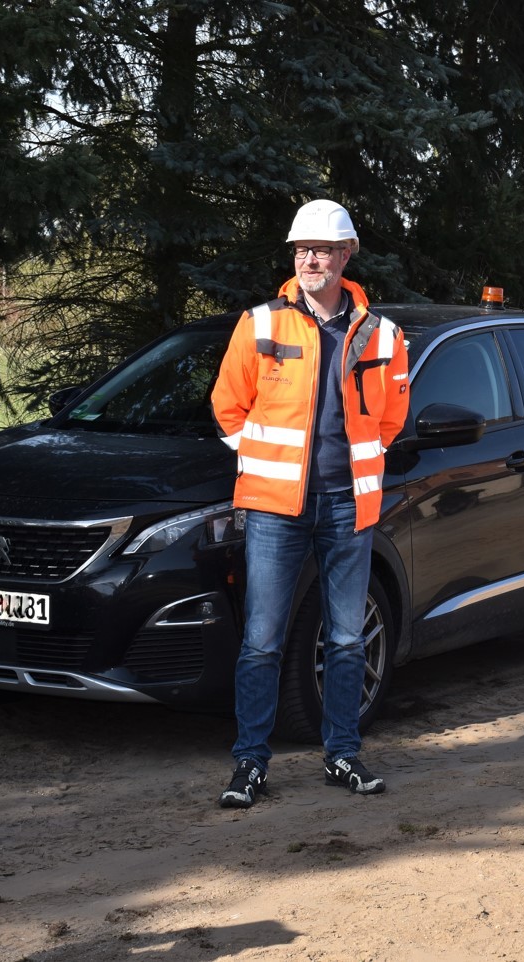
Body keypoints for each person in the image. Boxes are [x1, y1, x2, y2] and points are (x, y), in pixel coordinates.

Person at [210, 199, 409, 807]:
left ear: (347, 255)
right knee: (262, 640)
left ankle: (343, 756)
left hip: (349, 506)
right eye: (301, 250)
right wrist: (265, 464)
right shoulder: (262, 323)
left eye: (321, 250)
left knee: (347, 638)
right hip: (275, 508)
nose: (310, 260)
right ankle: (249, 764)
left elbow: (392, 418)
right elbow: (227, 405)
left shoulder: (382, 334)